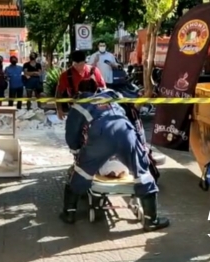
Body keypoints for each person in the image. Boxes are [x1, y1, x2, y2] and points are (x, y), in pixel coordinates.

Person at [60, 78, 170, 232]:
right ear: (98, 88)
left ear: (79, 92)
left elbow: (72, 134)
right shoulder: (111, 94)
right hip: (126, 130)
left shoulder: (79, 105)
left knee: (80, 173)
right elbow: (131, 99)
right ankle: (151, 220)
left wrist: (77, 152)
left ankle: (69, 214)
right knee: (143, 173)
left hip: (101, 135)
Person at [55, 50, 105, 120]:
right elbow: (59, 92)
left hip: (94, 107)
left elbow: (103, 89)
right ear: (72, 63)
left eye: (81, 65)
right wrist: (59, 109)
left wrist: (104, 103)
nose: (78, 67)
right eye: (75, 65)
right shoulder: (66, 75)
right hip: (76, 108)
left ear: (85, 62)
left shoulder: (94, 71)